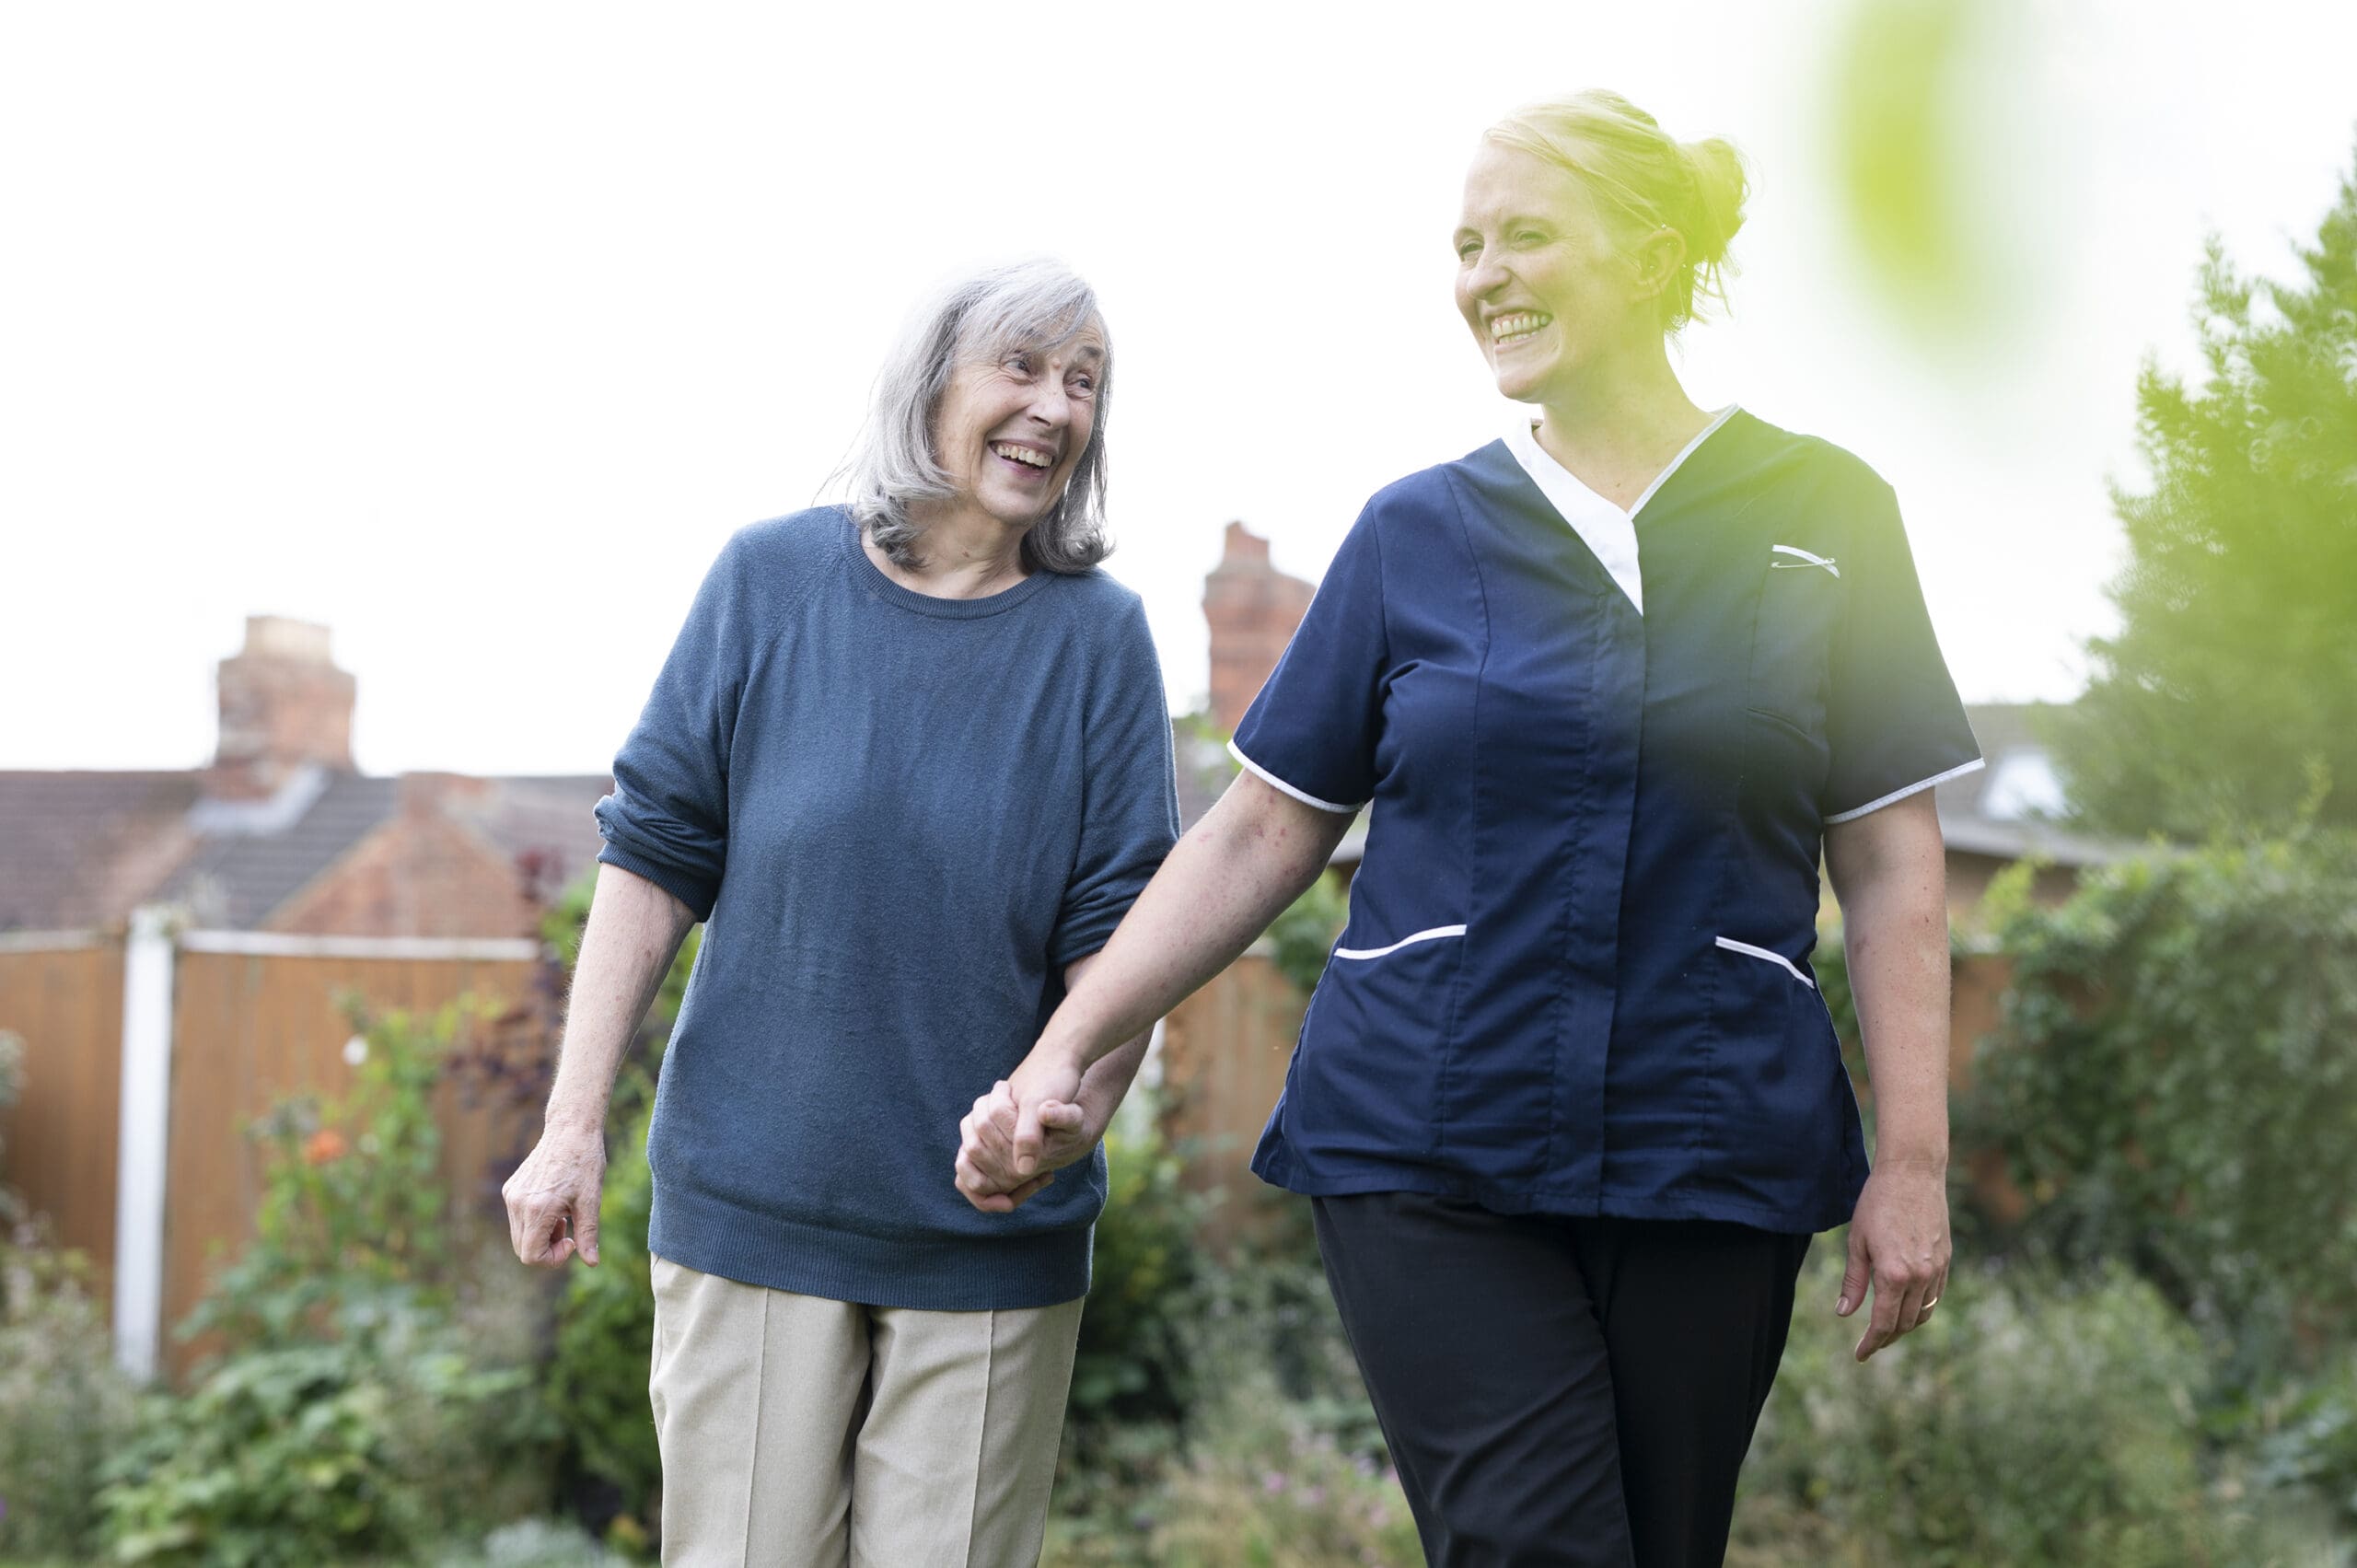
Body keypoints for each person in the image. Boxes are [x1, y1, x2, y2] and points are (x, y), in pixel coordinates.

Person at [958, 91, 1980, 1567]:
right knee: (1538, 1547)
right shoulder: (1417, 533)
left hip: (1715, 1144)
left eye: (1524, 237)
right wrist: (1064, 1049)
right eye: (1465, 245)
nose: (1482, 276)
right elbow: (1259, 834)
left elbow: (1893, 872)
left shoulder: (1827, 516)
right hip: (1429, 1140)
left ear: (1644, 257)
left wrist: (1917, 1162)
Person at [503, 258, 1178, 1568]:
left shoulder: (1099, 644)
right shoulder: (771, 584)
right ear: (932, 386)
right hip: (756, 1214)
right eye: (1023, 367)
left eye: (1084, 382)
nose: (1055, 407)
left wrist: (1061, 1127)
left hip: (989, 1240)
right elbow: (650, 860)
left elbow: (1125, 939)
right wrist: (570, 1126)